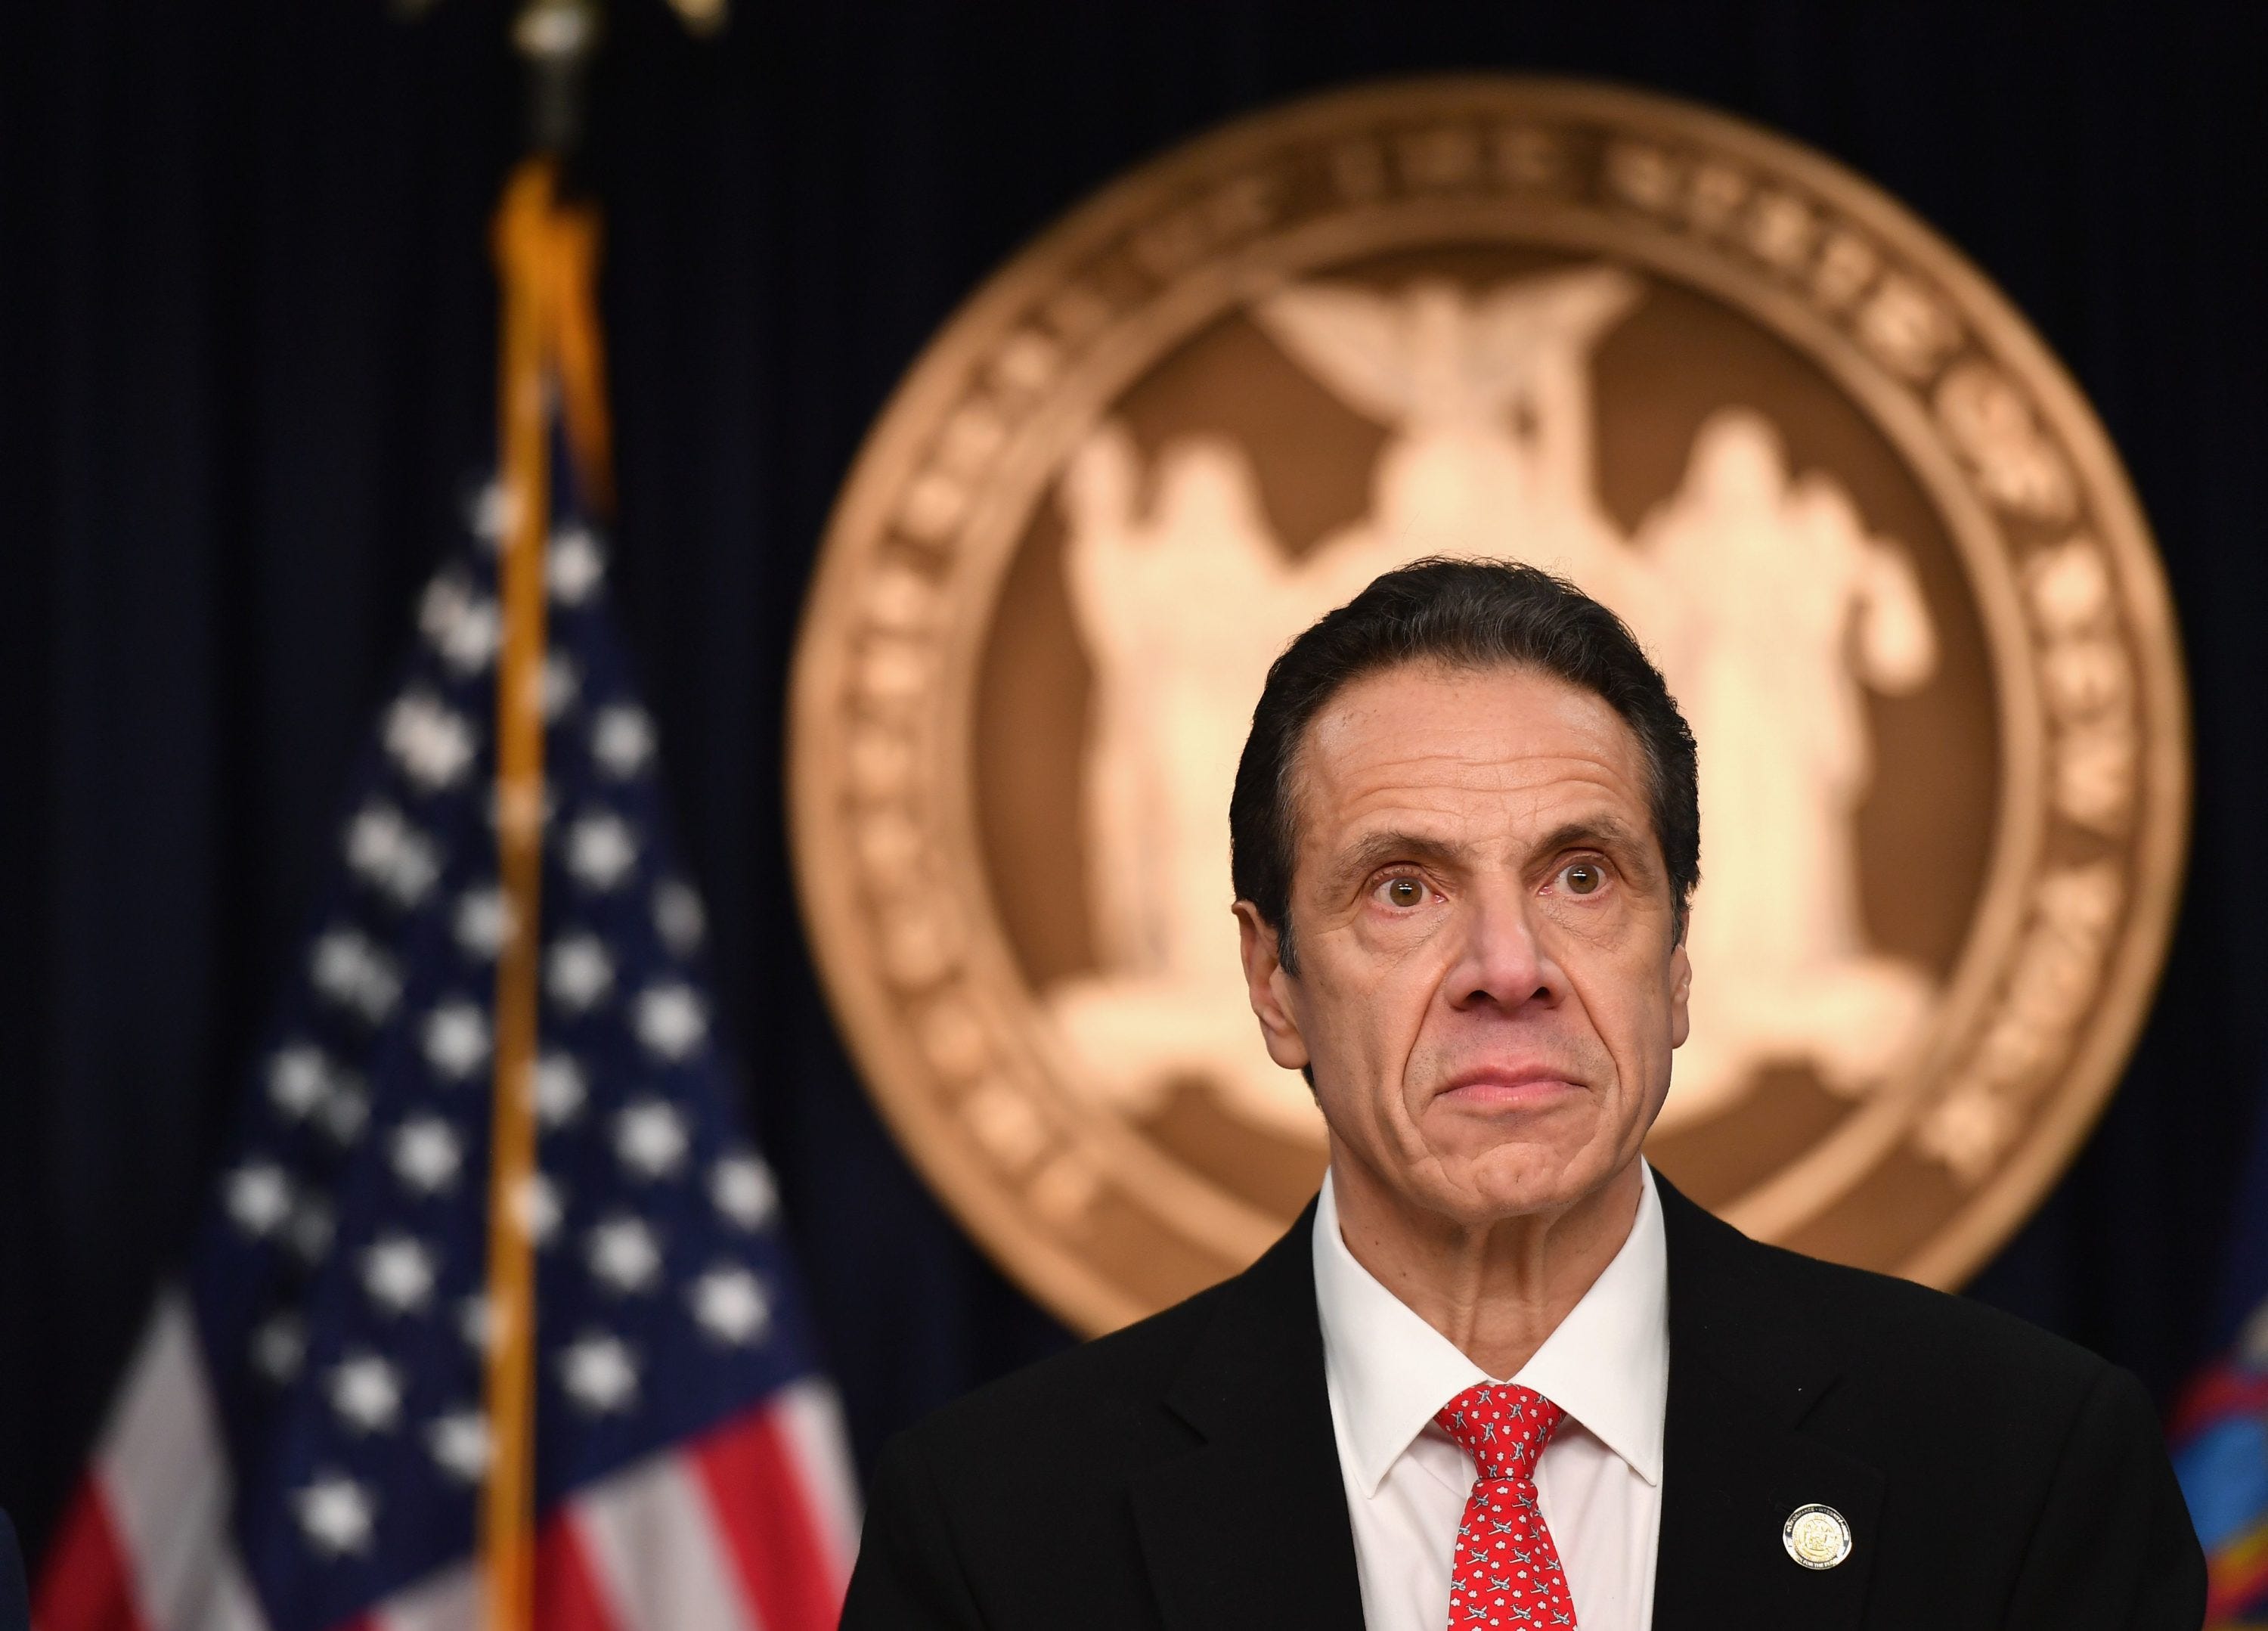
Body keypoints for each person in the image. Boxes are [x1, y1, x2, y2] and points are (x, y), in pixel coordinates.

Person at [840, 559, 2204, 1629]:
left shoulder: (2023, 1469)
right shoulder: (996, 1530)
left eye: (1581, 876)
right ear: (1275, 982)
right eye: (1404, 889)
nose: (1509, 967)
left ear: (1676, 960)